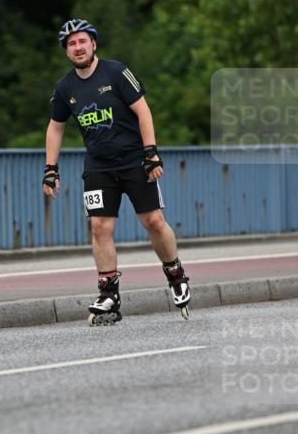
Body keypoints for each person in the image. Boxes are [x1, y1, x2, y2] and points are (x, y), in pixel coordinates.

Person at [43, 18, 191, 325]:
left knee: (153, 220)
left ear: (94, 44)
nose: (78, 47)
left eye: (83, 41)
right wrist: (50, 169)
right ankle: (109, 292)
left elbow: (143, 110)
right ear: (66, 51)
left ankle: (175, 273)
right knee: (99, 228)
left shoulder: (116, 72)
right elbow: (55, 128)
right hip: (98, 167)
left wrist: (151, 153)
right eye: (71, 44)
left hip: (135, 161)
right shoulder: (65, 87)